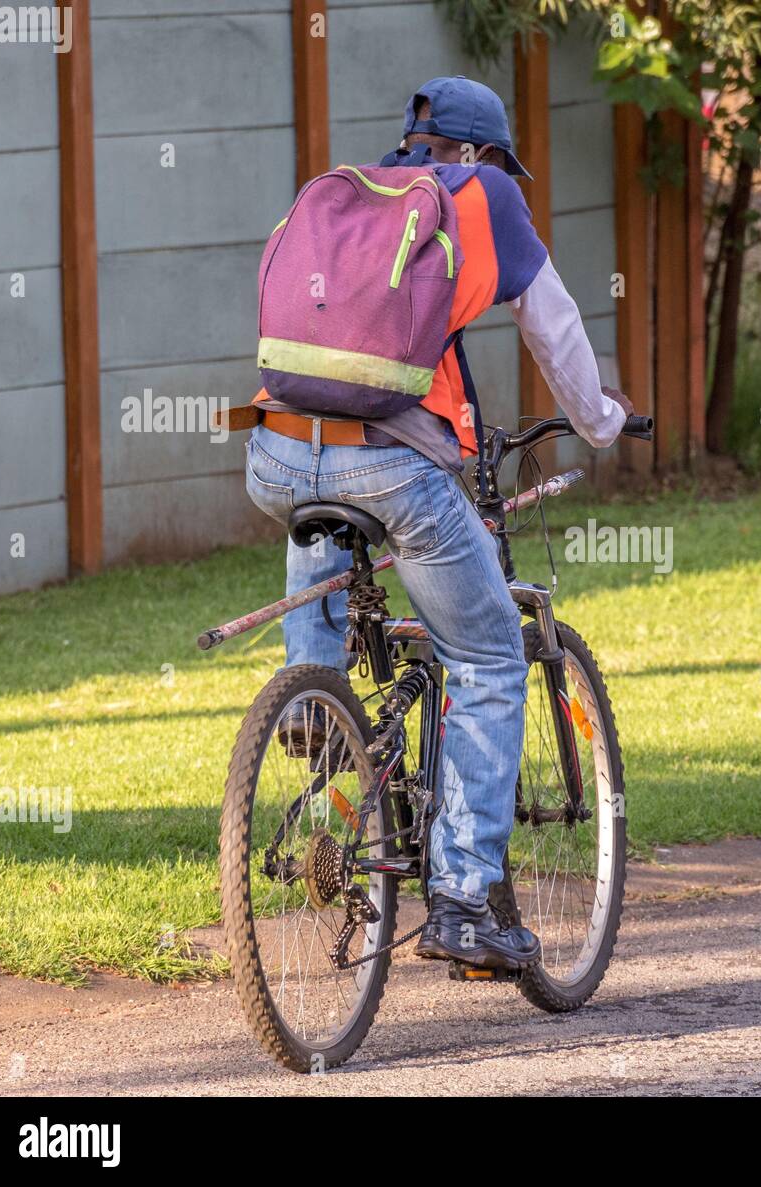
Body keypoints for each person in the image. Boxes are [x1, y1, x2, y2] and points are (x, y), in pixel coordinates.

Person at [243, 76, 634, 969]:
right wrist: (602, 421)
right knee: (491, 650)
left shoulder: (353, 198)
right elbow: (557, 327)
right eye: (502, 161)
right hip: (387, 464)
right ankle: (462, 901)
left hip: (273, 449)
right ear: (481, 154)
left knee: (323, 509)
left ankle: (314, 694)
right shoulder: (484, 197)